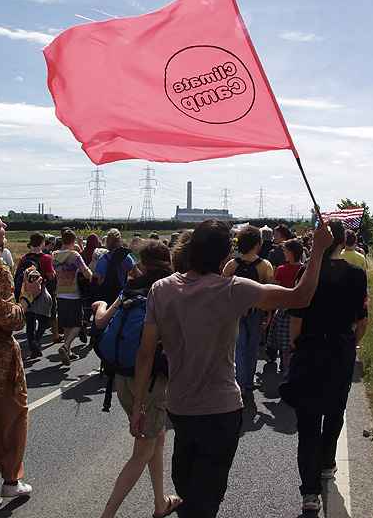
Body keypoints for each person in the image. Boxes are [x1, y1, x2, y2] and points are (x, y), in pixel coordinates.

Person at [130, 219, 333, 518]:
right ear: (225, 255)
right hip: (221, 409)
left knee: (187, 488)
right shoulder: (233, 289)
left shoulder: (161, 289)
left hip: (179, 407)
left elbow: (146, 354)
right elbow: (300, 296)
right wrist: (317, 251)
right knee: (207, 496)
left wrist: (138, 406)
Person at [280, 220, 368, 514]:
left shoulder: (308, 271)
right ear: (344, 242)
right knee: (334, 411)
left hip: (310, 349)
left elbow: (296, 316)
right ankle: (328, 464)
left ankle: (309, 493)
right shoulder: (357, 274)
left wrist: (295, 344)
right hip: (340, 349)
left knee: (307, 423)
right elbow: (362, 320)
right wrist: (349, 342)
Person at [93, 240, 181, 518]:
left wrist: (100, 304)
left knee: (156, 439)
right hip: (151, 382)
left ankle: (160, 503)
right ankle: (107, 515)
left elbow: (101, 321)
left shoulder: (131, 288)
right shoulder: (170, 290)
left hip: (121, 377)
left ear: (142, 262)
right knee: (142, 451)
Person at [0, 215, 42, 510]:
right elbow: (9, 318)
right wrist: (27, 296)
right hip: (0, 359)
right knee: (12, 418)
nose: (5, 228)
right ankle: (10, 483)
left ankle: (12, 482)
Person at [223, 226, 274, 395]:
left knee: (239, 347)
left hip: (235, 312)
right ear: (258, 244)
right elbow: (269, 292)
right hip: (256, 311)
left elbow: (223, 291)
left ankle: (239, 381)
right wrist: (268, 315)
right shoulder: (265, 265)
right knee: (252, 348)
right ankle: (249, 381)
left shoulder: (231, 265)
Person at [53, 229, 92, 365]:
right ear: (73, 241)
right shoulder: (74, 255)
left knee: (66, 324)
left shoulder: (54, 255)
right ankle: (65, 346)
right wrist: (92, 275)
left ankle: (68, 351)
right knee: (77, 323)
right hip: (73, 293)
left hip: (59, 292)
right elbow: (86, 273)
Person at [267, 238, 304, 375]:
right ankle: (290, 367)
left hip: (284, 308)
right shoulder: (304, 269)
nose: (284, 254)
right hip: (299, 308)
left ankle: (285, 366)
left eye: (285, 251)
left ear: (291, 252)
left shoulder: (282, 269)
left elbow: (275, 289)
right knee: (293, 341)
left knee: (283, 341)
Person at [14, 233, 55, 358]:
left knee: (30, 322)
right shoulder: (46, 258)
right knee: (44, 320)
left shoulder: (24, 258)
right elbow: (50, 276)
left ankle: (32, 345)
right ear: (42, 243)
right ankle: (36, 340)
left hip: (27, 293)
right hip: (40, 291)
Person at [94, 228, 139, 306]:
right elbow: (137, 274)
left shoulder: (103, 259)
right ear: (119, 241)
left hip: (105, 295)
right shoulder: (126, 257)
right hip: (121, 295)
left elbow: (99, 280)